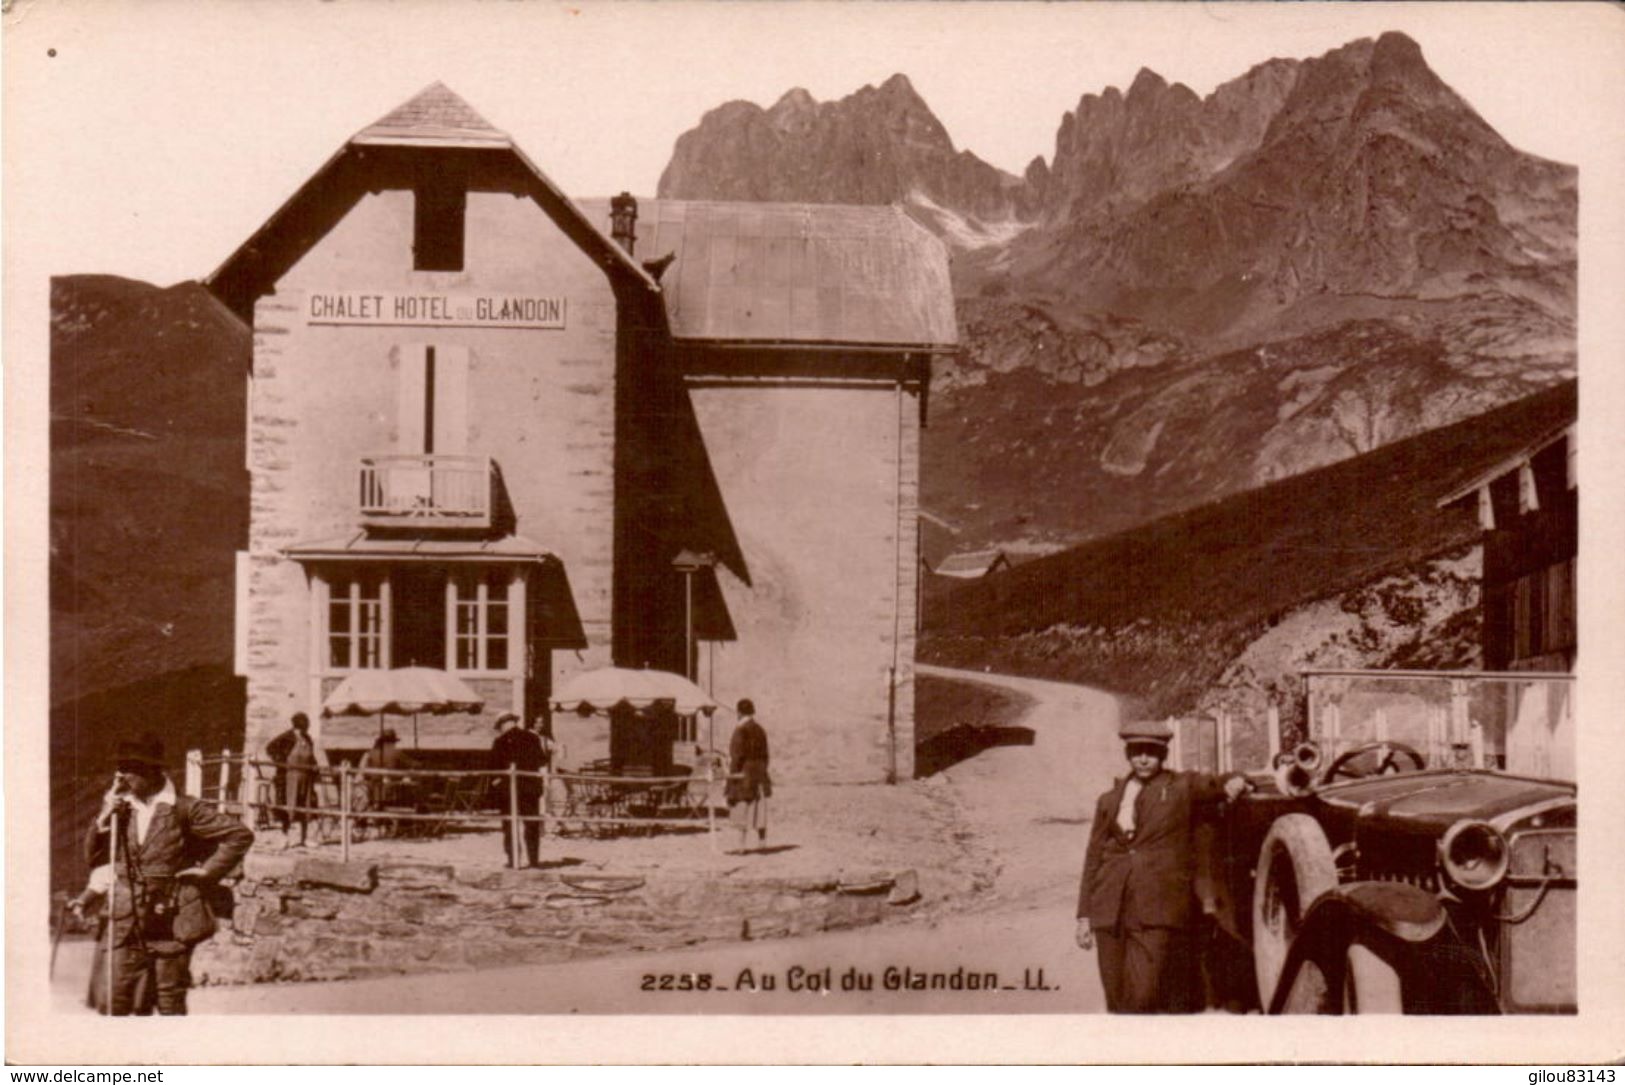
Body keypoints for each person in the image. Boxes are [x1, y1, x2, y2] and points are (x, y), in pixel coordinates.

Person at [1075, 719, 1251, 1013]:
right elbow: (1093, 856)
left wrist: (1237, 779)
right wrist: (1084, 915)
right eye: (1136, 752)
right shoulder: (1109, 799)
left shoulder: (1182, 787)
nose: (1143, 759)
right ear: (1128, 754)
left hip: (1156, 909)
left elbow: (1215, 783)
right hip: (1109, 908)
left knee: (1143, 996)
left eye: (1151, 752)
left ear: (1163, 755)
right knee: (1116, 998)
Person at [82, 732, 254, 1015]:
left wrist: (207, 872)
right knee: (116, 998)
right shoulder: (121, 809)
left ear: (150, 772)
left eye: (129, 770)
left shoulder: (185, 808)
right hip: (126, 917)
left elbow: (240, 835)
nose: (121, 777)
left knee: (169, 997)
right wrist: (103, 816)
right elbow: (94, 858)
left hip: (170, 913)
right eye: (120, 770)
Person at [489, 712, 547, 867]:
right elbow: (542, 761)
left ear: (503, 724)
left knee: (510, 826)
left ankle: (513, 860)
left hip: (509, 791)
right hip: (530, 788)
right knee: (532, 825)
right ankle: (534, 861)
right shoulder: (533, 738)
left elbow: (494, 768)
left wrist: (497, 784)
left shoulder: (500, 742)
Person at [264, 712, 318, 845]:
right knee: (287, 806)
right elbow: (270, 748)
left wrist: (315, 766)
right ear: (298, 724)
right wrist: (280, 761)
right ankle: (284, 836)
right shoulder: (287, 737)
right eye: (304, 724)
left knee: (306, 806)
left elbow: (311, 757)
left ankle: (305, 838)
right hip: (289, 777)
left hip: (306, 777)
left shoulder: (308, 738)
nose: (306, 726)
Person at [725, 698, 772, 854]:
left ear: (738, 712)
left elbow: (737, 755)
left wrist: (731, 777)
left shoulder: (740, 730)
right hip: (759, 772)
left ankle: (741, 846)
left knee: (741, 806)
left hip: (744, 773)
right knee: (760, 807)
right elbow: (766, 755)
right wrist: (763, 770)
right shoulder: (760, 729)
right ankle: (762, 842)